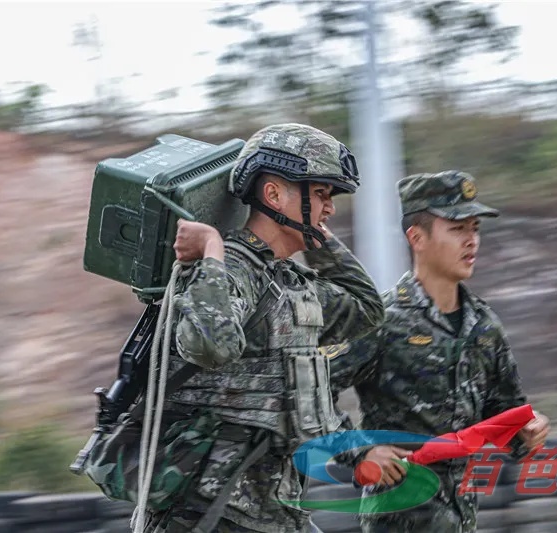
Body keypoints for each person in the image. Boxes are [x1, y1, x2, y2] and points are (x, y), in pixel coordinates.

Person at [142, 123, 385, 533]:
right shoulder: (230, 269)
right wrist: (213, 250)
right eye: (321, 194)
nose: (330, 209)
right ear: (273, 195)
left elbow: (365, 308)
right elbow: (208, 346)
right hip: (210, 513)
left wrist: (320, 239)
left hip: (271, 511)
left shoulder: (289, 281)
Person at [329, 171, 550, 533]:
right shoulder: (381, 321)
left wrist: (529, 427)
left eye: (475, 228)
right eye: (457, 228)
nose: (471, 241)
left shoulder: (484, 326)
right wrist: (361, 453)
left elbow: (504, 414)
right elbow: (310, 391)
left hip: (461, 517)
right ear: (417, 237)